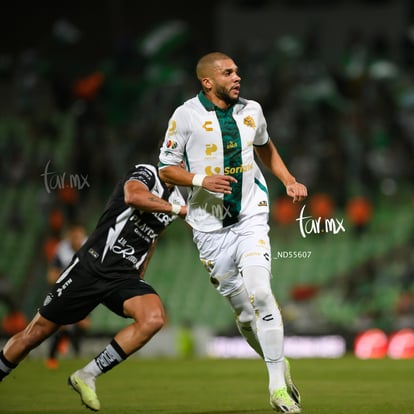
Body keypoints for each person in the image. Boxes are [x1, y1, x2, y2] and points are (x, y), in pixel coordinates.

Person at [158, 52, 308, 414]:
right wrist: (201, 179)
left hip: (250, 217)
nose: (237, 76)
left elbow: (265, 145)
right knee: (243, 315)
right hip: (209, 229)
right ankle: (277, 361)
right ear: (208, 82)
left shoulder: (251, 110)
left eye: (237, 70)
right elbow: (165, 168)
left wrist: (287, 179)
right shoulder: (185, 116)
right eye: (228, 73)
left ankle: (277, 389)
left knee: (261, 294)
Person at [0, 163, 186, 412]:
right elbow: (133, 196)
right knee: (35, 334)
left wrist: (142, 271)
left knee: (153, 318)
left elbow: (152, 238)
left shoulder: (176, 198)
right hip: (92, 267)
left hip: (123, 276)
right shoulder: (146, 173)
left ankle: (87, 374)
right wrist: (179, 209)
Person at [45, 221, 90, 369]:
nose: (77, 239)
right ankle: (52, 358)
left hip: (85, 291)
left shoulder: (90, 245)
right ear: (69, 236)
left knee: (82, 325)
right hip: (65, 289)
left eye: (79, 236)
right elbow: (51, 275)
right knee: (63, 324)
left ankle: (70, 349)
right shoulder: (62, 249)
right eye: (74, 236)